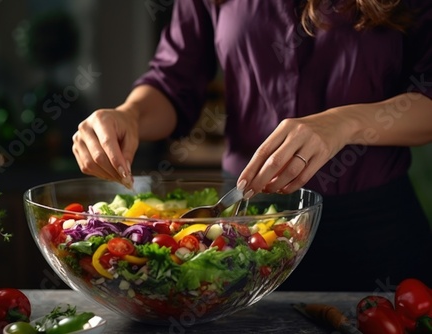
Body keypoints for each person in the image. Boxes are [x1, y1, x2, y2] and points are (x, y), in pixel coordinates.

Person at [72, 0, 432, 291]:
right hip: (244, 229)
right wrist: (129, 115)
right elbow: (172, 81)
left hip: (376, 230)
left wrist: (346, 122)